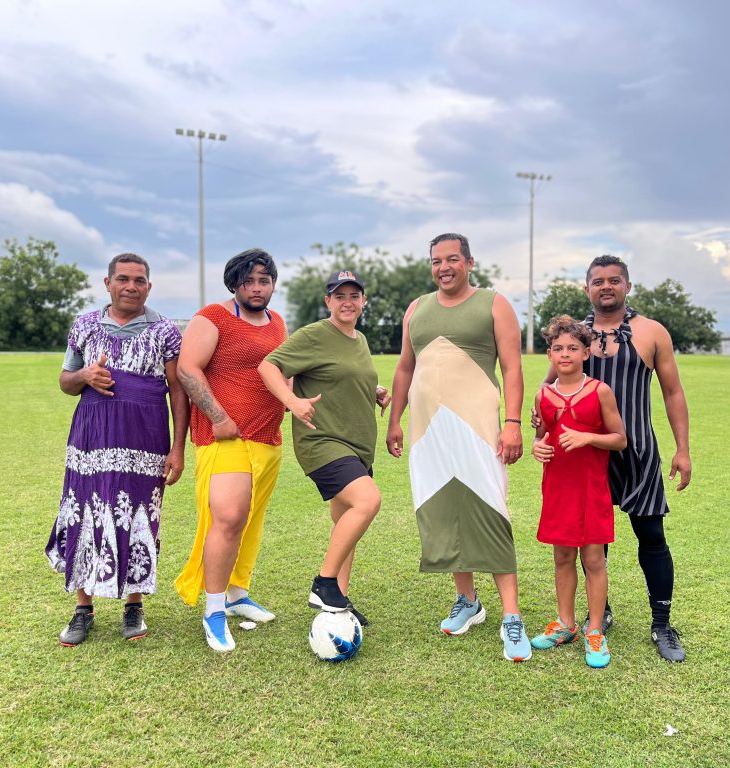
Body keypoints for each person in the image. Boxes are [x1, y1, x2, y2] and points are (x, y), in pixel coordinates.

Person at [532, 254, 691, 662]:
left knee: (651, 535)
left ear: (627, 286)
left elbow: (673, 392)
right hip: (585, 458)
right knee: (592, 542)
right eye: (598, 281)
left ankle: (662, 624)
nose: (606, 286)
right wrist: (538, 427)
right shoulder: (575, 335)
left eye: (614, 280)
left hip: (634, 450)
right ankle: (599, 616)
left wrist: (683, 448)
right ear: (587, 288)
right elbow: (549, 390)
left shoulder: (651, 332)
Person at [386, 233, 532, 663]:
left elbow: (512, 367)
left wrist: (512, 423)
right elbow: (404, 368)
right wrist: (394, 420)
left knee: (490, 510)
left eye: (452, 259)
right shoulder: (416, 308)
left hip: (477, 427)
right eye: (436, 261)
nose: (444, 267)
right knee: (443, 510)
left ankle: (511, 616)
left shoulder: (494, 304)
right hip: (427, 432)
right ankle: (468, 601)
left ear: (469, 262)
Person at [46, 253, 189, 646]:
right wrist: (85, 374)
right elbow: (65, 382)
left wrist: (178, 448)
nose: (131, 286)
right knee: (83, 512)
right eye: (123, 279)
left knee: (139, 515)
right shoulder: (84, 325)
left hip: (146, 437)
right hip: (91, 436)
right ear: (107, 283)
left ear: (149, 287)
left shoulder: (165, 331)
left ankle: (134, 605)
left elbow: (178, 391)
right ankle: (83, 608)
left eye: (139, 280)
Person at [258, 270, 389, 627]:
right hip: (323, 442)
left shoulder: (359, 339)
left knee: (346, 523)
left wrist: (374, 391)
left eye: (354, 296)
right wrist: (292, 401)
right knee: (367, 501)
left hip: (357, 445)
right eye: (339, 296)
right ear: (328, 301)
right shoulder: (315, 335)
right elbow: (269, 366)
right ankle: (325, 584)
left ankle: (338, 601)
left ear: (363, 301)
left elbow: (342, 376)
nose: (347, 302)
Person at [173, 248, 288, 653]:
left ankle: (238, 593)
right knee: (229, 516)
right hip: (225, 437)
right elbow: (187, 368)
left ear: (273, 284)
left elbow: (287, 372)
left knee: (249, 520)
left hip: (267, 437)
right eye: (248, 281)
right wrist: (219, 417)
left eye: (264, 281)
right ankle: (214, 610)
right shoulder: (213, 317)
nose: (257, 288)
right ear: (234, 284)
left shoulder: (278, 323)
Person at [529, 316, 627, 669]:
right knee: (562, 557)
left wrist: (587, 437)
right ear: (550, 355)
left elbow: (620, 439)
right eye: (558, 348)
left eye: (572, 348)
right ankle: (566, 623)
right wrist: (537, 446)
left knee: (594, 559)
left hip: (591, 488)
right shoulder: (543, 395)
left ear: (586, 353)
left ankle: (595, 630)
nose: (565, 354)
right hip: (558, 487)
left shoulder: (599, 391)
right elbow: (542, 437)